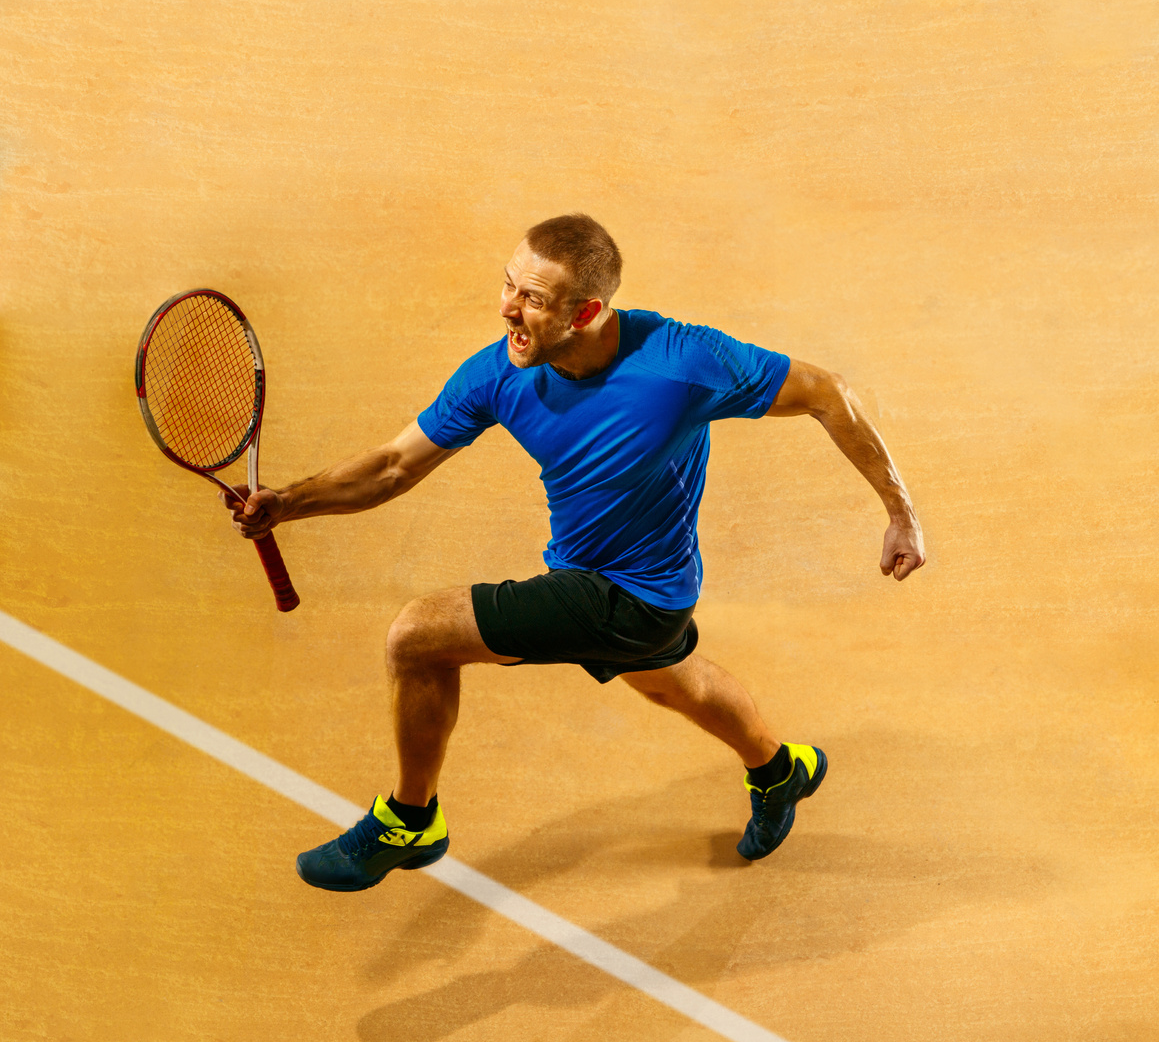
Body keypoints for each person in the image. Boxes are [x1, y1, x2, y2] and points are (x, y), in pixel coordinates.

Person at [223, 213, 925, 893]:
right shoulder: (498, 373)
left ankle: (410, 820)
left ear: (586, 311)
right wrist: (289, 502)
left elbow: (826, 392)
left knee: (416, 636)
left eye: (532, 299)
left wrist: (900, 513)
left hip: (632, 593)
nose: (508, 310)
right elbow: (390, 467)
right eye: (507, 285)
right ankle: (781, 770)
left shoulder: (683, 363)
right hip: (625, 584)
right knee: (673, 684)